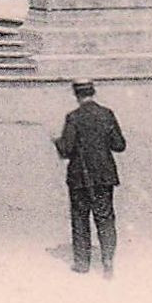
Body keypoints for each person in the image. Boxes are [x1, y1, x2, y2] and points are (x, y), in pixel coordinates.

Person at [54, 79, 127, 278]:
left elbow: (67, 149)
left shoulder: (73, 117)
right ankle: (108, 261)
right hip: (104, 175)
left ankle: (82, 263)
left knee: (80, 218)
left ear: (76, 95)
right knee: (105, 218)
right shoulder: (107, 114)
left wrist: (57, 142)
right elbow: (119, 145)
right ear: (93, 92)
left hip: (80, 176)